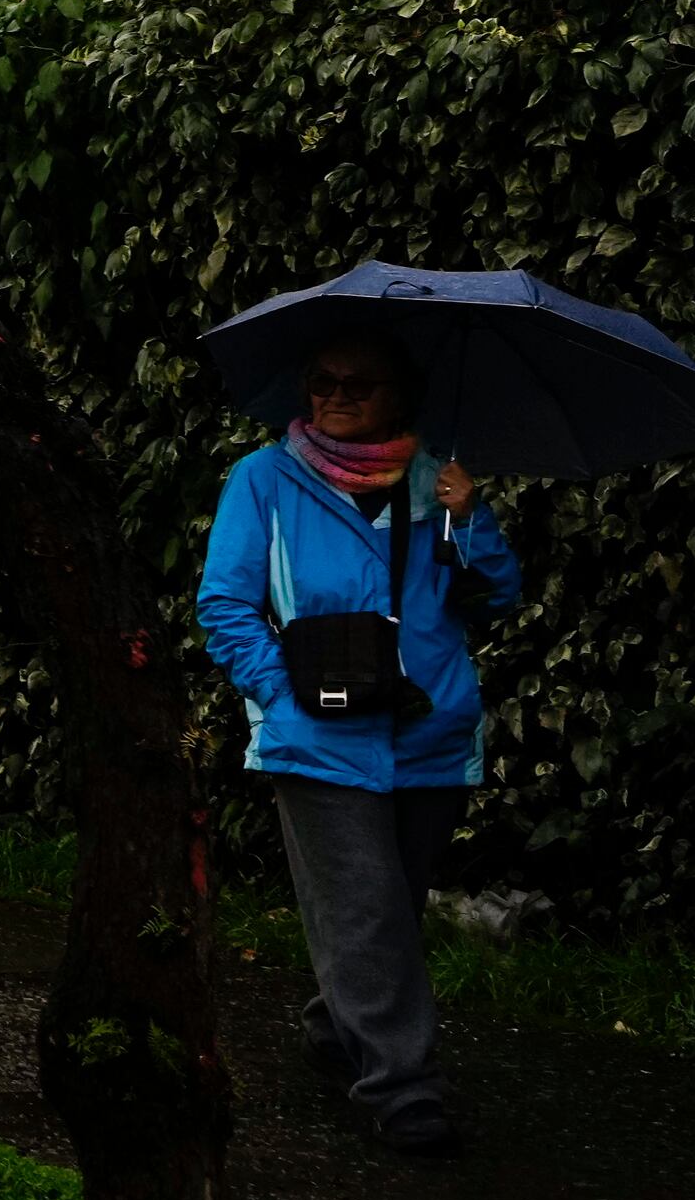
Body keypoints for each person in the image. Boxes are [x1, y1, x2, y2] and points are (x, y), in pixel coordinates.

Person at [195, 336, 521, 1158]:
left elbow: (497, 599)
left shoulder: (438, 482)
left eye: (357, 383)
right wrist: (282, 695)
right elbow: (225, 605)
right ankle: (404, 1090)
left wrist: (468, 518)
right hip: (320, 742)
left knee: (389, 908)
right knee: (368, 908)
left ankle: (336, 1028)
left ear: (400, 396)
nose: (335, 394)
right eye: (321, 381)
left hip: (431, 733)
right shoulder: (262, 480)